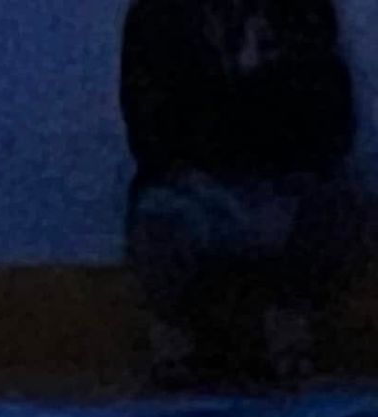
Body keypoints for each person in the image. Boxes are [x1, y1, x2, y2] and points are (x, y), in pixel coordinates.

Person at [119, 0, 362, 385]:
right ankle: (174, 346)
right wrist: (246, 99)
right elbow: (152, 134)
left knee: (334, 199)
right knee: (157, 215)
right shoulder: (157, 16)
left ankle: (289, 333)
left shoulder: (302, 12)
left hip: (281, 183)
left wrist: (259, 86)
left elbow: (330, 126)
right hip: (195, 186)